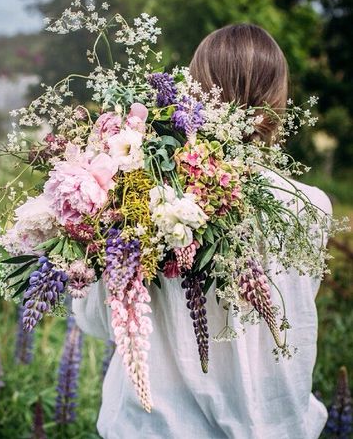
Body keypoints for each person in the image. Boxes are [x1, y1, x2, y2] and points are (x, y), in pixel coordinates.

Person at [72, 24, 332, 439]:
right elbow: (294, 312)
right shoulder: (312, 206)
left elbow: (99, 321)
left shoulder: (141, 195)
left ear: (193, 93)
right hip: (275, 423)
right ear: (278, 103)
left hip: (157, 427)